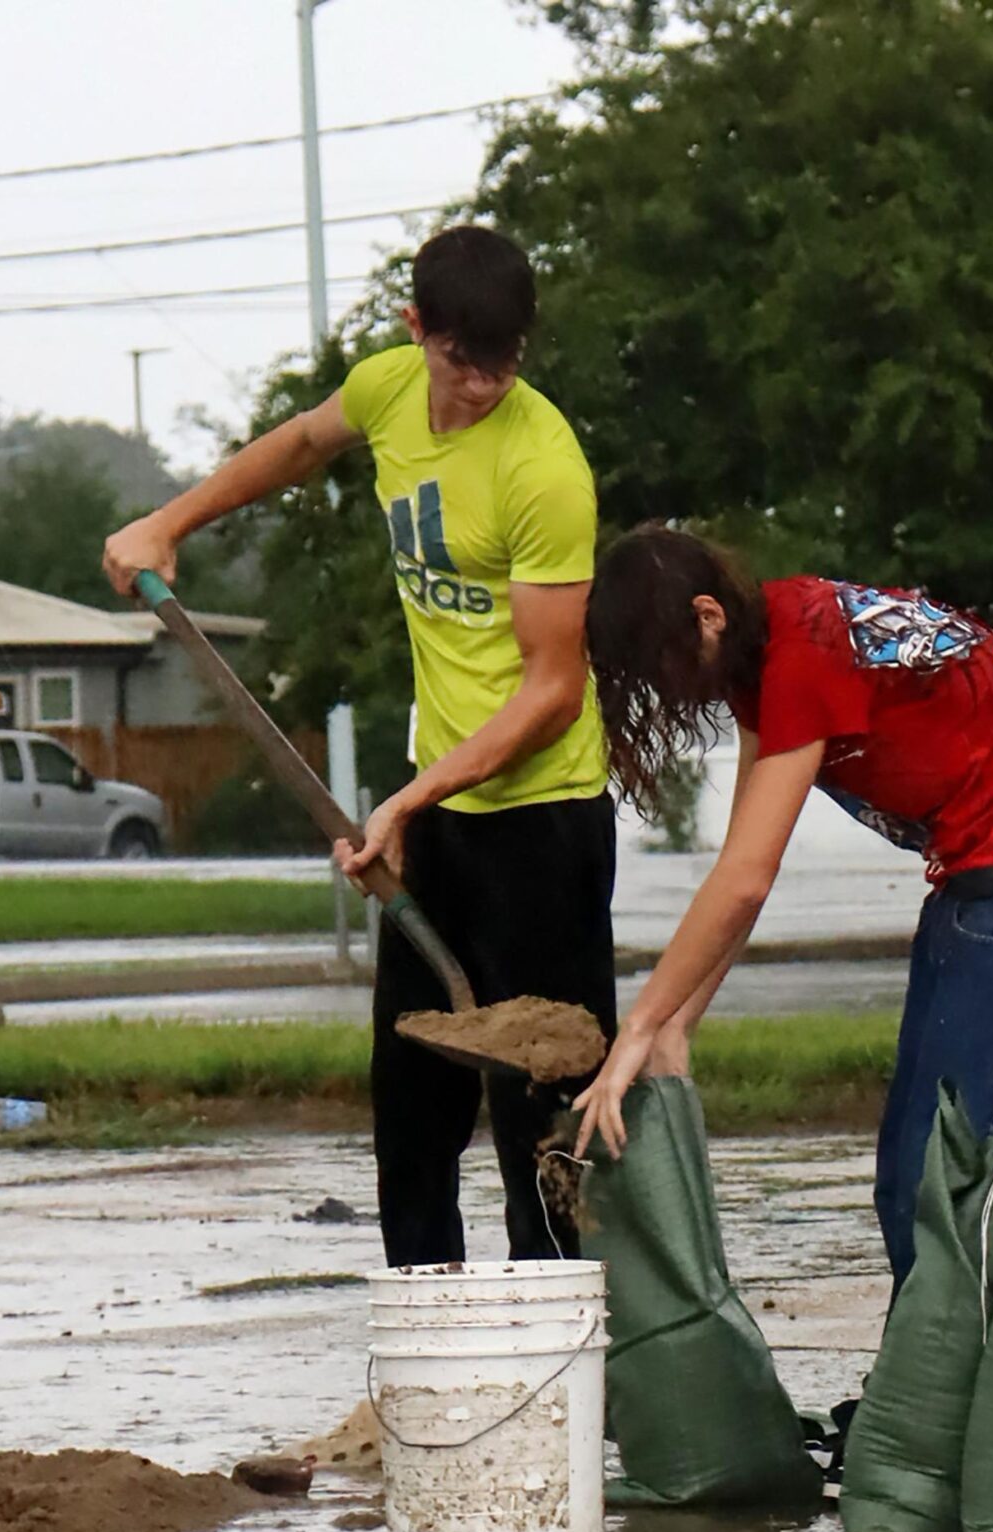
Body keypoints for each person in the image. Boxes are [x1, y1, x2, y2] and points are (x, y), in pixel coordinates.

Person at [102, 225, 613, 1266]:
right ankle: (431, 1366)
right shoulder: (388, 390)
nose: (482, 384)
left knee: (544, 1128)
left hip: (541, 823)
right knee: (413, 1112)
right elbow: (297, 443)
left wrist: (413, 798)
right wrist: (169, 523)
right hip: (438, 814)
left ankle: (564, 1370)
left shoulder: (543, 466)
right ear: (417, 329)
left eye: (505, 359)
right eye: (463, 359)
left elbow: (554, 690)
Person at [569, 526, 993, 1288]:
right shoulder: (763, 654)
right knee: (911, 1181)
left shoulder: (803, 655)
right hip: (979, 887)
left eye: (663, 667)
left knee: (988, 1189)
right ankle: (922, 1400)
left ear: (706, 616)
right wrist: (679, 1023)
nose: (668, 693)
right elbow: (742, 862)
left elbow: (747, 877)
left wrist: (637, 1028)